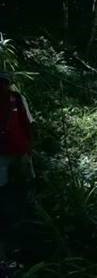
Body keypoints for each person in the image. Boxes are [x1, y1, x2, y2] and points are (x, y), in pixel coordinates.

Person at [0, 72, 33, 264]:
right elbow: (28, 124)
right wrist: (29, 149)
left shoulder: (16, 98)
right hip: (19, 149)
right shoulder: (17, 97)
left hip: (3, 153)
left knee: (4, 189)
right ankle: (25, 218)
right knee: (25, 187)